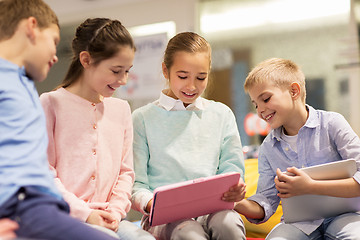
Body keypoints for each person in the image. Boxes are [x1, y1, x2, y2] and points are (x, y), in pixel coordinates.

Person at [0, 0, 118, 239]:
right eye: (53, 41)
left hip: (47, 209)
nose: (55, 56)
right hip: (23, 207)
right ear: (31, 27)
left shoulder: (23, 85)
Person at [40, 17, 155, 240]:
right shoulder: (51, 103)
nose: (123, 80)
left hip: (111, 218)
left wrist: (115, 211)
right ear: (86, 60)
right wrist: (86, 214)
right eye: (116, 70)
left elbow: (125, 173)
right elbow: (45, 172)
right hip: (65, 219)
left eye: (127, 71)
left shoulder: (121, 109)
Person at [131, 32, 247, 240]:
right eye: (182, 76)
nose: (192, 86)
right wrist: (154, 204)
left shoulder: (221, 114)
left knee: (229, 224)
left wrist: (236, 190)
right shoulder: (142, 119)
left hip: (214, 210)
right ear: (166, 70)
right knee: (190, 233)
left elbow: (233, 171)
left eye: (201, 77)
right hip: (165, 219)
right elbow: (137, 185)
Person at [235, 57, 360, 239]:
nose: (260, 110)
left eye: (266, 99)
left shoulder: (332, 124)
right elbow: (266, 203)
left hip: (345, 216)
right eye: (255, 104)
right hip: (298, 224)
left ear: (294, 91)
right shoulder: (268, 147)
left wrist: (311, 186)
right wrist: (236, 203)